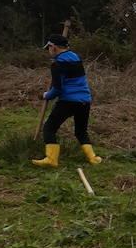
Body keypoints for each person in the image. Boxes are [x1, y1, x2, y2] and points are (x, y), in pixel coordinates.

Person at [32, 33, 102, 167]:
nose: (48, 51)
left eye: (48, 48)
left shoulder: (57, 65)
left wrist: (45, 95)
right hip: (84, 100)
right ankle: (93, 158)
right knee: (81, 131)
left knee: (49, 128)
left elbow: (58, 89)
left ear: (53, 47)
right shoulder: (76, 58)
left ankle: (51, 159)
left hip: (68, 101)